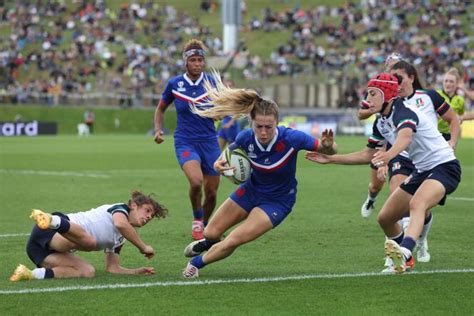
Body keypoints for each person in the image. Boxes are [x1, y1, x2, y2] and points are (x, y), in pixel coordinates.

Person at [181, 72, 337, 278]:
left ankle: (195, 265)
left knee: (234, 239)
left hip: (277, 202)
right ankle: (209, 242)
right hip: (251, 190)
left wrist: (328, 146)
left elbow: (330, 150)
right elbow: (226, 159)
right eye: (259, 127)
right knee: (210, 232)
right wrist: (221, 166)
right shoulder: (245, 138)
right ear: (251, 123)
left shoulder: (293, 138)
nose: (263, 132)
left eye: (268, 127)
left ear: (277, 123)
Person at [306, 73, 461, 274]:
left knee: (417, 203)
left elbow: (405, 138)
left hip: (445, 166)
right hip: (422, 170)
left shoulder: (403, 111)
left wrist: (387, 156)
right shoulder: (380, 121)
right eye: (367, 94)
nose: (367, 99)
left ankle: (405, 253)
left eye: (373, 94)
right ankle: (403, 257)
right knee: (385, 218)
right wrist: (331, 159)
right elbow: (368, 154)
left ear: (387, 95)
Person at [9, 191, 168, 281]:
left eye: (152, 216)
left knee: (87, 271)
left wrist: (136, 272)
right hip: (51, 230)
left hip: (40, 251)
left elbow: (112, 268)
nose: (148, 217)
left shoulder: (121, 238)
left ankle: (30, 274)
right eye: (147, 210)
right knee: (90, 242)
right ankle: (51, 219)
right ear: (134, 205)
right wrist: (143, 247)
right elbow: (121, 224)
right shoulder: (120, 209)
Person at [153, 39, 221, 240]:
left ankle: (207, 226)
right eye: (194, 60)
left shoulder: (212, 82)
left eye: (201, 60)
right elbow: (160, 109)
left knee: (211, 192)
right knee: (196, 181)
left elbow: (224, 108)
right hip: (185, 140)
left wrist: (220, 113)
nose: (198, 64)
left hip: (209, 141)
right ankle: (197, 220)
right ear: (186, 62)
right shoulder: (175, 84)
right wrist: (158, 129)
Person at [358, 53, 403, 218]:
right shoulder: (377, 88)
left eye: (397, 66)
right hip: (383, 134)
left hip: (402, 140)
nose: (393, 69)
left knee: (399, 188)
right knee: (376, 186)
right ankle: (371, 198)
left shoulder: (405, 89)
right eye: (390, 66)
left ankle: (404, 229)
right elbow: (361, 114)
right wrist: (373, 109)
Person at [437, 68, 465, 140]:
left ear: (457, 84)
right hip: (436, 133)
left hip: (450, 135)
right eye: (446, 81)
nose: (448, 84)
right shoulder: (436, 95)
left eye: (451, 81)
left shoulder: (460, 100)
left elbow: (461, 115)